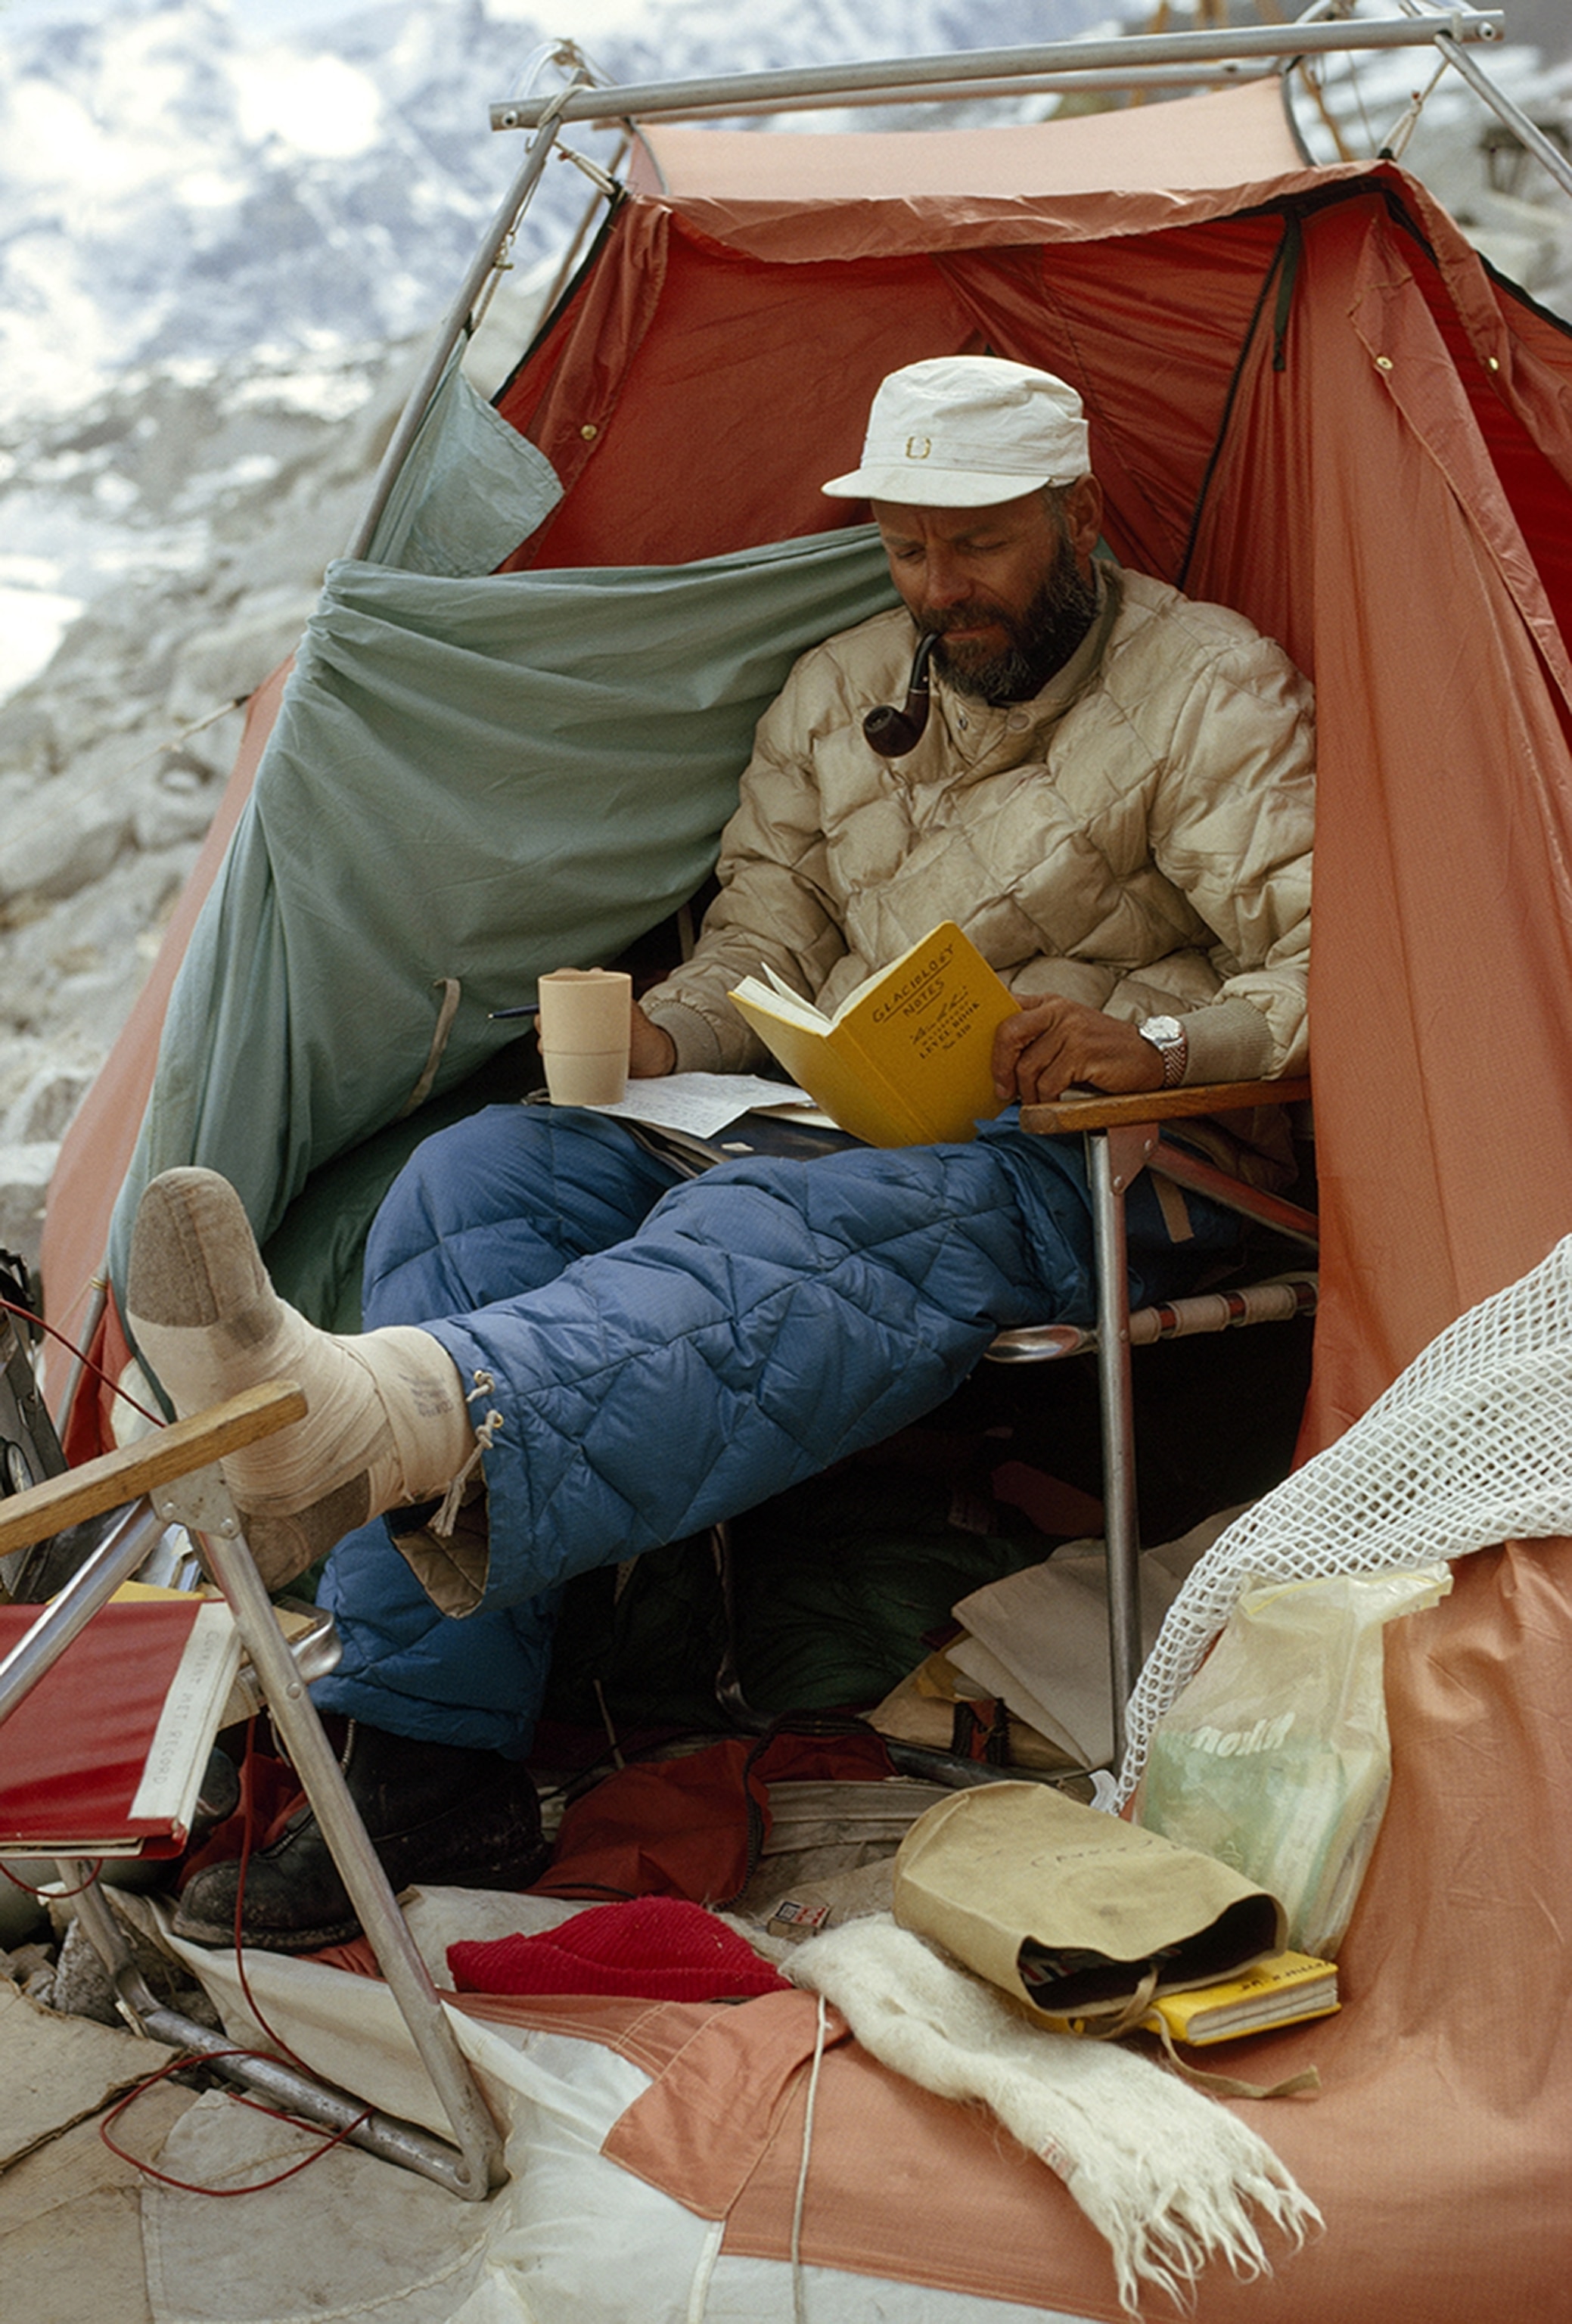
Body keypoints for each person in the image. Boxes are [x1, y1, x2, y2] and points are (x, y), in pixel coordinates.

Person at [131, 356, 1314, 1950]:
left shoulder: (1208, 688)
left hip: (1090, 1153)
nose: (937, 590)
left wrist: (1159, 1045)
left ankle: (374, 1444)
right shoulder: (841, 691)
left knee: (789, 1235)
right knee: (483, 1173)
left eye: (976, 548)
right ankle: (433, 1763)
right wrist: (663, 1043)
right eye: (904, 551)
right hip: (828, 1119)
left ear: (1076, 515)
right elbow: (758, 943)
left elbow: (1323, 969)